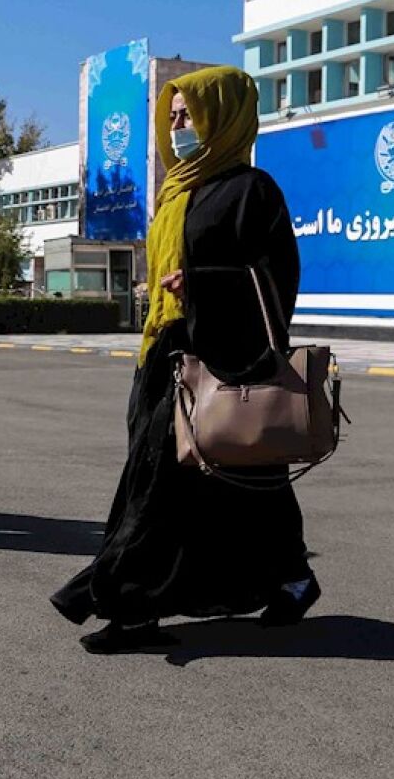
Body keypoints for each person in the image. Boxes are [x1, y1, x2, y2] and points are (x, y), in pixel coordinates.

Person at [51, 66, 320, 653]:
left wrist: (198, 284)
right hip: (165, 354)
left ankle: (128, 606)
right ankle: (292, 575)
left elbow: (274, 277)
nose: (177, 129)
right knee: (239, 480)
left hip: (217, 355)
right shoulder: (178, 190)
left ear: (220, 117)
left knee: (158, 487)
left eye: (187, 117)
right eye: (171, 118)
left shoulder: (253, 191)